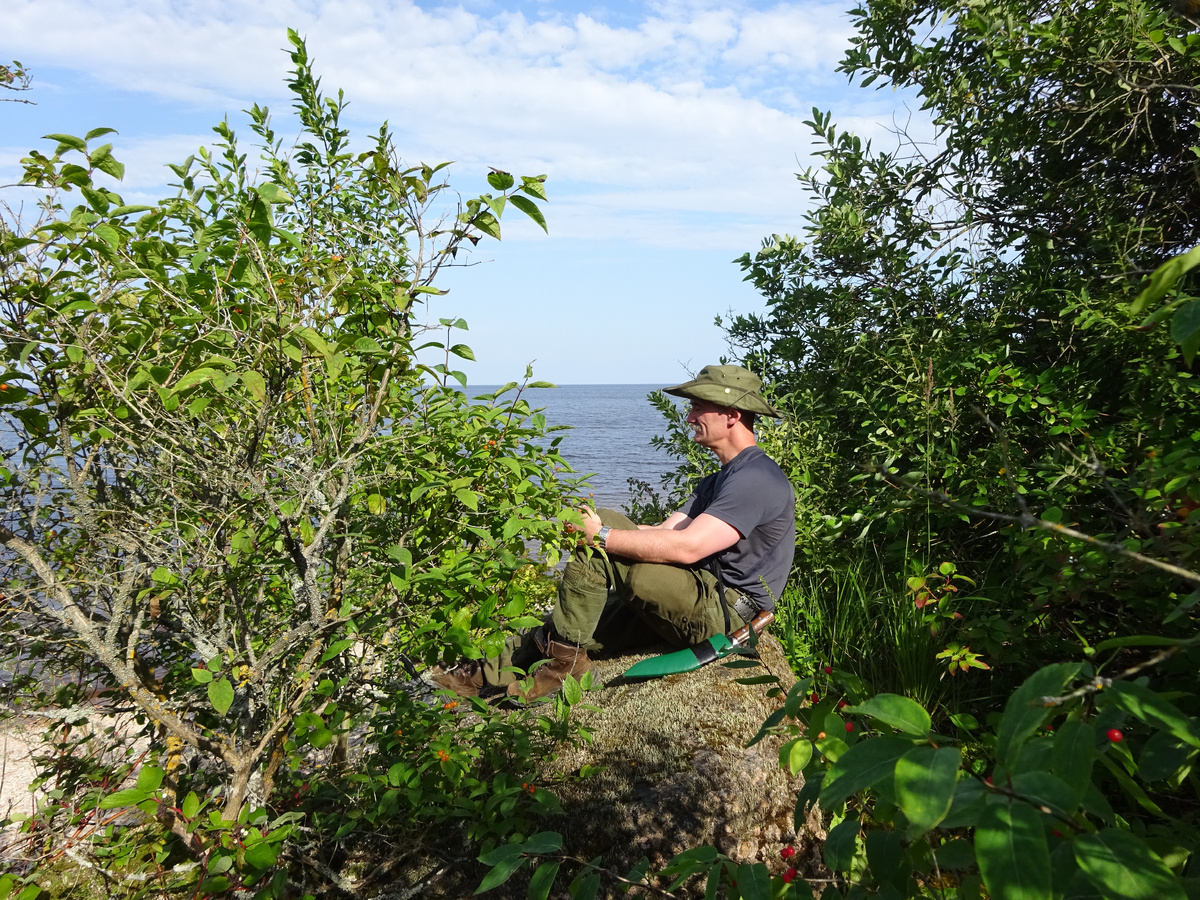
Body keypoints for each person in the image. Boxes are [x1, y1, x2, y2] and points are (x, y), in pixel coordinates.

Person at [429, 364, 796, 701]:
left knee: (603, 529)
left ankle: (564, 669)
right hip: (694, 596)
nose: (689, 417)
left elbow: (687, 547)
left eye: (699, 407)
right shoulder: (720, 479)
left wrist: (599, 534)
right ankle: (477, 674)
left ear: (732, 415)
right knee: (572, 626)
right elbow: (663, 530)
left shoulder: (756, 480)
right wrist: (579, 524)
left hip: (725, 614)